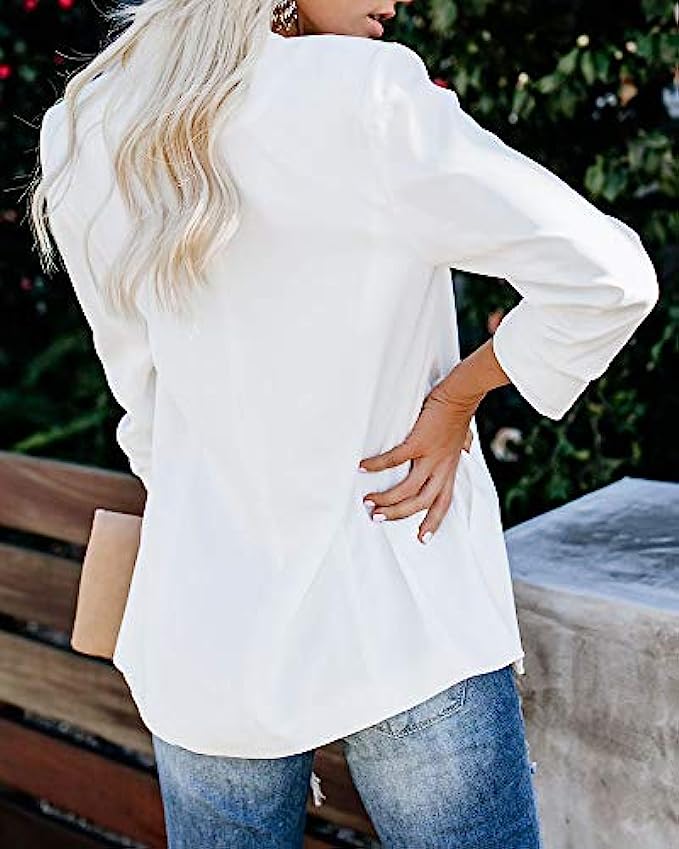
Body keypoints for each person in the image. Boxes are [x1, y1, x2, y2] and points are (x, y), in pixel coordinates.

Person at [29, 0, 659, 846]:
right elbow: (608, 277)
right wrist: (455, 399)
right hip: (396, 598)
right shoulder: (367, 96)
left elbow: (143, 403)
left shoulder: (92, 122)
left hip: (206, 622)